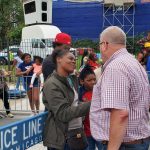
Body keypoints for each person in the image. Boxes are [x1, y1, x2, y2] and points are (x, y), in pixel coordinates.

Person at [90, 26, 150, 150]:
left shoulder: (115, 67)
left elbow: (120, 114)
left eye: (100, 45)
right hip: (136, 142)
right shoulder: (134, 63)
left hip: (123, 145)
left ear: (105, 44)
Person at [43, 49, 91, 150]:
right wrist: (93, 103)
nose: (74, 61)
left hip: (76, 135)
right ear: (59, 59)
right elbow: (63, 113)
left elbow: (74, 104)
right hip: (63, 139)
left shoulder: (70, 79)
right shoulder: (52, 84)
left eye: (75, 59)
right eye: (70, 58)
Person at [79, 65, 102, 150]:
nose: (93, 82)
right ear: (82, 81)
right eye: (89, 80)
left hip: (100, 132)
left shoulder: (100, 92)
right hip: (87, 132)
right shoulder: (80, 94)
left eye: (94, 79)